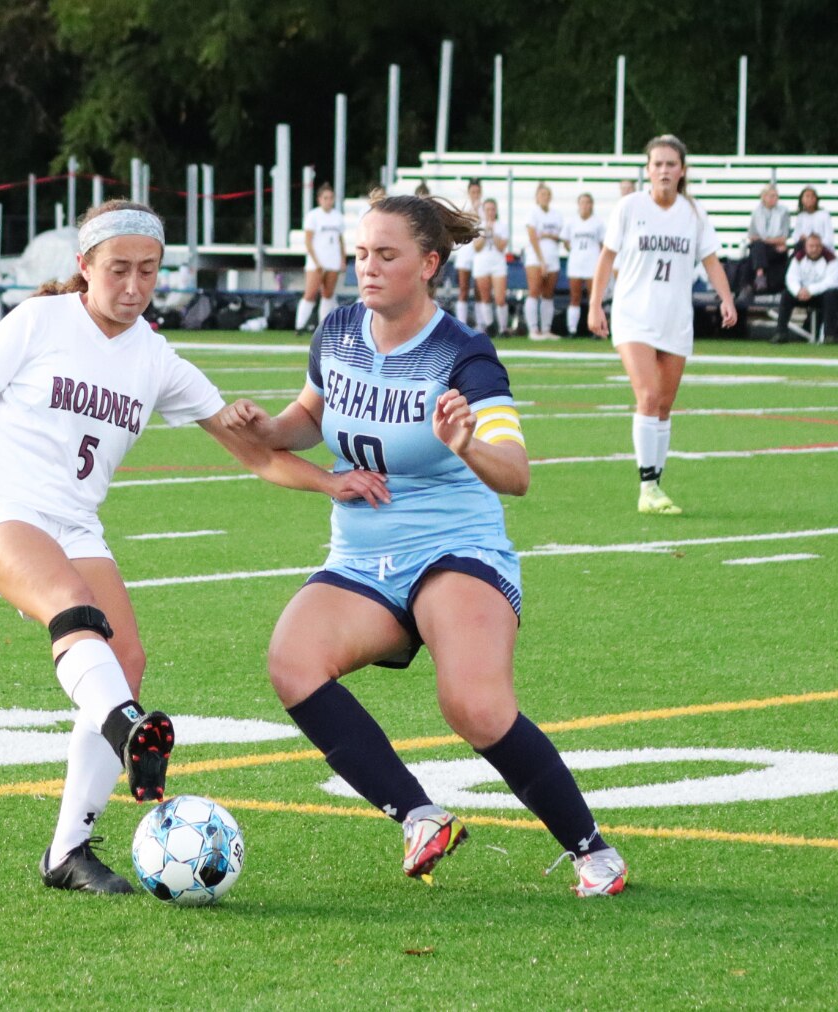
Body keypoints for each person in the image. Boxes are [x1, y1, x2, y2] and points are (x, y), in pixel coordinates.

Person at [0, 199, 387, 896]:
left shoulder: (157, 358)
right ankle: (127, 730)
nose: (135, 286)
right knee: (71, 607)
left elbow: (256, 455)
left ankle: (68, 852)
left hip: (73, 521)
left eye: (149, 270)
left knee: (127, 656)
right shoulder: (38, 322)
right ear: (83, 267)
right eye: (118, 269)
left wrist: (330, 481)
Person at [220, 194, 629, 898]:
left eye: (386, 255)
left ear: (428, 263)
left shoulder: (461, 352)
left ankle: (591, 850)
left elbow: (517, 475)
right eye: (360, 256)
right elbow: (303, 422)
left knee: (472, 706)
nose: (367, 270)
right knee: (292, 663)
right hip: (360, 558)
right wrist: (262, 424)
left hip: (454, 549)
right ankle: (419, 816)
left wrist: (466, 444)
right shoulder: (338, 330)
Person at [589, 135, 737, 516]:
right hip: (633, 315)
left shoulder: (694, 213)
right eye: (657, 164)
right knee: (649, 395)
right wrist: (595, 305)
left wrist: (726, 297)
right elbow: (607, 258)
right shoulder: (630, 207)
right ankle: (647, 486)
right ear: (648, 170)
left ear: (682, 170)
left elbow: (711, 260)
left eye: (671, 164)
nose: (664, 170)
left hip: (675, 318)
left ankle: (655, 483)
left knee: (665, 405)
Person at [771, 232, 838, 344]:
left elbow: (830, 282)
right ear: (806, 247)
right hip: (803, 294)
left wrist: (810, 290)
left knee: (831, 295)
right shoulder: (798, 258)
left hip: (824, 296)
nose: (814, 249)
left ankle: (830, 335)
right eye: (811, 246)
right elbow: (791, 278)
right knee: (786, 294)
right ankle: (781, 333)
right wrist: (798, 291)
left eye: (817, 246)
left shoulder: (831, 259)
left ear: (822, 246)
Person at [297, 182, 347, 332]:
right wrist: (316, 261)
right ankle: (299, 325)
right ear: (319, 199)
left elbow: (340, 239)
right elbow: (308, 240)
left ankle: (323, 326)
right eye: (325, 198)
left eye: (331, 198)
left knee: (328, 293)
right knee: (310, 293)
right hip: (317, 261)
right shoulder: (313, 216)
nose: (328, 201)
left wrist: (342, 258)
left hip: (332, 260)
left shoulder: (337, 217)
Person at [561, 193, 605, 336]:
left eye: (588, 202)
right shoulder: (571, 222)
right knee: (575, 297)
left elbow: (602, 244)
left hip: (592, 263)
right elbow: (565, 241)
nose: (585, 205)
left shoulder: (598, 223)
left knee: (594, 297)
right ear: (578, 205)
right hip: (576, 263)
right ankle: (572, 329)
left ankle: (595, 330)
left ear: (591, 205)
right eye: (582, 202)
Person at [523, 183, 563, 340]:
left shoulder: (557, 215)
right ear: (537, 197)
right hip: (535, 258)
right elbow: (533, 236)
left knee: (548, 294)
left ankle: (546, 329)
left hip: (553, 257)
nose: (545, 197)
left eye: (547, 194)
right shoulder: (532, 213)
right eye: (542, 194)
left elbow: (559, 236)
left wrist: (546, 235)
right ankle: (533, 329)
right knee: (534, 291)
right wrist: (541, 260)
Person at [472, 196, 511, 336]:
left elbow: (501, 247)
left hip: (497, 263)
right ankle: (489, 325)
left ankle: (503, 327)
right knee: (485, 297)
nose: (490, 212)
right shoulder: (478, 226)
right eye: (487, 209)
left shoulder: (502, 226)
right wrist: (484, 232)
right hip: (482, 263)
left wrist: (493, 232)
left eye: (492, 209)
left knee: (500, 298)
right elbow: (476, 247)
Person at [746, 185, 790, 293]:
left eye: (776, 196)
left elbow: (783, 239)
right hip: (762, 247)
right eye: (771, 196)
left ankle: (759, 276)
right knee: (757, 246)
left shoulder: (784, 212)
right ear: (764, 197)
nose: (775, 199)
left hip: (775, 249)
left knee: (758, 246)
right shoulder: (756, 212)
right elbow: (751, 236)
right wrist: (766, 241)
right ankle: (760, 276)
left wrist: (764, 240)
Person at [451, 178, 483, 326]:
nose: (475, 194)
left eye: (477, 191)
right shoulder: (464, 208)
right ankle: (462, 323)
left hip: (480, 254)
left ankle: (480, 324)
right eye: (473, 191)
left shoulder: (485, 208)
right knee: (463, 289)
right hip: (465, 254)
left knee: (479, 291)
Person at [790, 186, 835, 253]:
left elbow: (829, 239)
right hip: (805, 250)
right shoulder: (801, 216)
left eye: (812, 196)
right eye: (807, 196)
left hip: (823, 250)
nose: (810, 199)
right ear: (802, 199)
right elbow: (796, 236)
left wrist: (813, 241)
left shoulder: (824, 215)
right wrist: (801, 238)